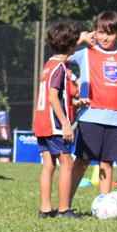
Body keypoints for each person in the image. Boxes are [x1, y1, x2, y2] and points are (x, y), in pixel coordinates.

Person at [69, 11, 117, 205]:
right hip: (89, 118)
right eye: (101, 32)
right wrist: (80, 39)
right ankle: (65, 204)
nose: (105, 37)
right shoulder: (85, 54)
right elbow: (61, 54)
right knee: (81, 162)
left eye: (110, 33)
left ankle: (104, 205)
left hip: (116, 120)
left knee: (106, 163)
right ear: (95, 32)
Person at [32, 22, 80, 218]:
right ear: (71, 46)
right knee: (66, 163)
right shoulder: (60, 67)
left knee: (48, 164)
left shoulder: (48, 64)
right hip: (54, 123)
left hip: (41, 121)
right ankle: (63, 209)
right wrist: (66, 123)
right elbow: (53, 96)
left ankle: (45, 209)